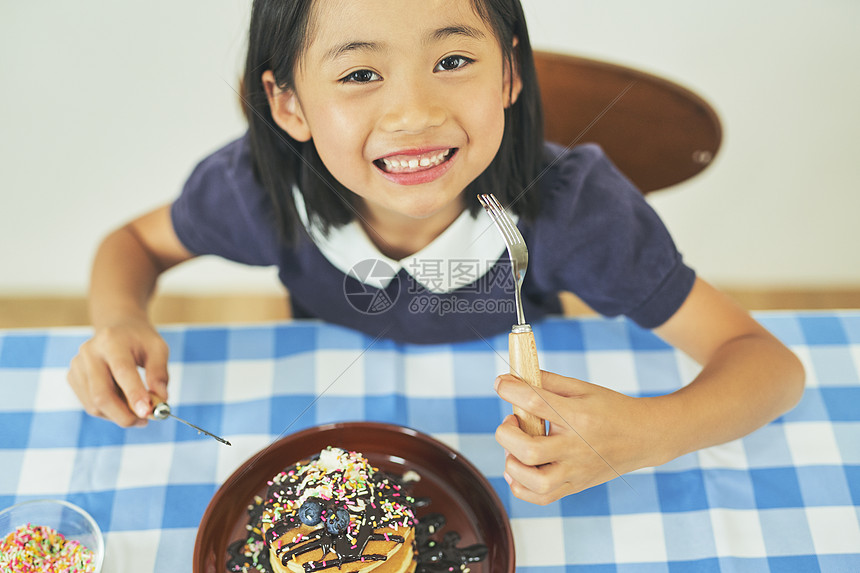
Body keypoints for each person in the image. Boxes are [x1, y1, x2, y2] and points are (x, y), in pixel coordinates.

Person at [67, 0, 804, 505]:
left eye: (453, 59)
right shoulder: (258, 192)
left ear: (509, 74)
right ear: (289, 103)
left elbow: (770, 367)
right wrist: (120, 316)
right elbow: (130, 245)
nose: (415, 113)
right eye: (360, 73)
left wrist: (646, 434)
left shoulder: (578, 212)